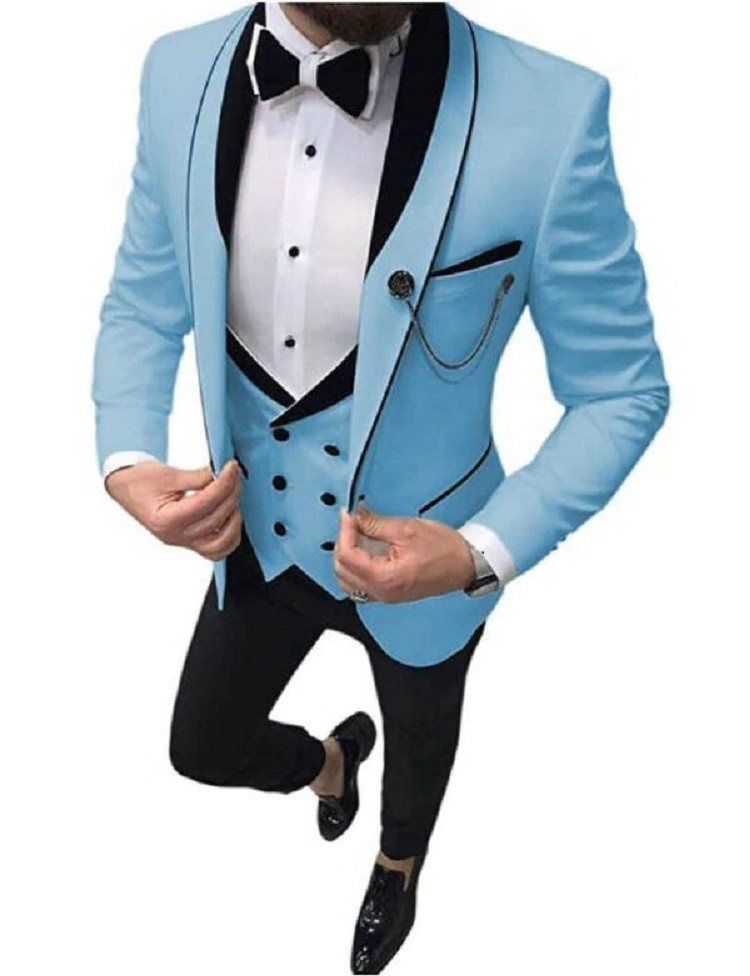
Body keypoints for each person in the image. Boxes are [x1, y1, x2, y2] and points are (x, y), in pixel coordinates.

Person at [91, 2, 670, 971]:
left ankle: (398, 866)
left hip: (435, 569)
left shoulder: (555, 110)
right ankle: (330, 762)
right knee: (202, 746)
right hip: (256, 538)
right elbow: (144, 302)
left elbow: (622, 389)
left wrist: (481, 550)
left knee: (419, 766)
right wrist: (126, 456)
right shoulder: (175, 71)